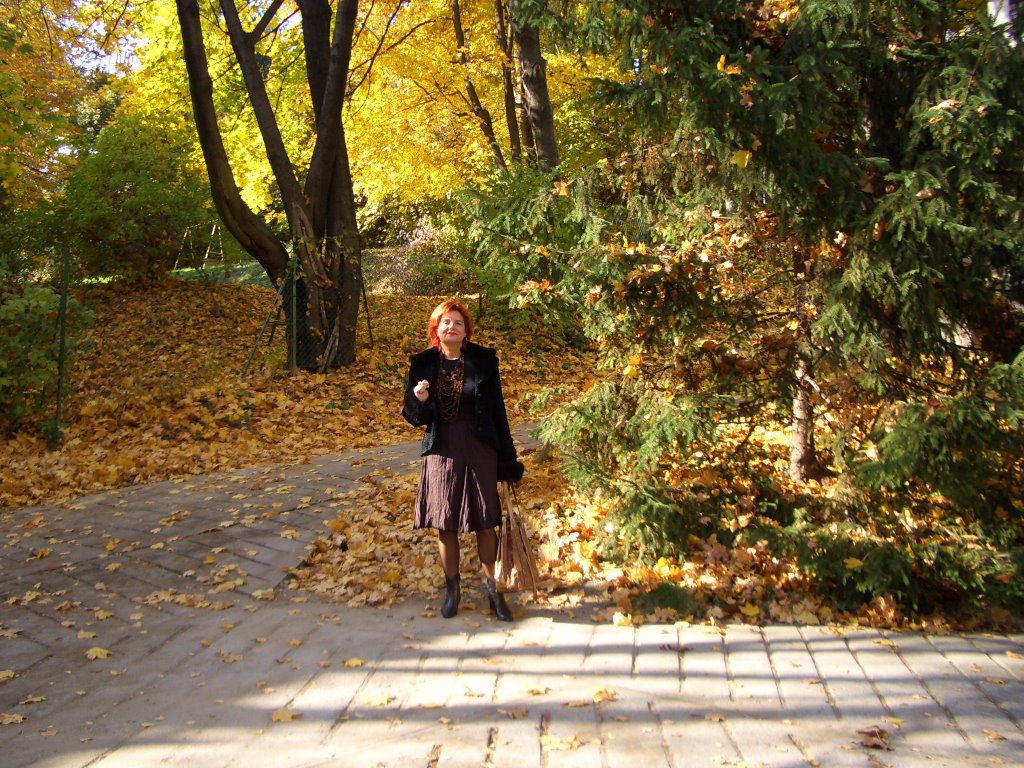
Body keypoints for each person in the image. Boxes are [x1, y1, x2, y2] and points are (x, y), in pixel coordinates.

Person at [402, 299, 524, 622]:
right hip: (442, 452)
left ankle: (492, 588)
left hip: (480, 449)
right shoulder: (423, 365)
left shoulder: (484, 362)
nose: (452, 326)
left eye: (457, 322)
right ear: (436, 330)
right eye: (445, 322)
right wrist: (420, 400)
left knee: (486, 522)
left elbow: (499, 411)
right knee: (446, 524)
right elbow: (414, 417)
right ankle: (452, 589)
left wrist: (508, 458)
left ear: (466, 330)